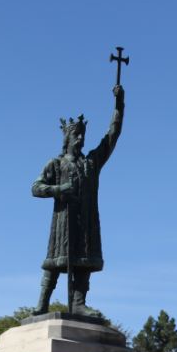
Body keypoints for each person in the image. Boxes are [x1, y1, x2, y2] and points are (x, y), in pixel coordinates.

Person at [33, 83, 125, 316]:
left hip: (86, 219)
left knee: (84, 259)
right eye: (76, 134)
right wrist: (58, 189)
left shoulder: (91, 163)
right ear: (67, 137)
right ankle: (42, 303)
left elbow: (112, 136)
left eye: (83, 134)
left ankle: (78, 303)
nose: (81, 138)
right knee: (55, 260)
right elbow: (36, 187)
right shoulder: (56, 164)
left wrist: (119, 105)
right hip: (63, 222)